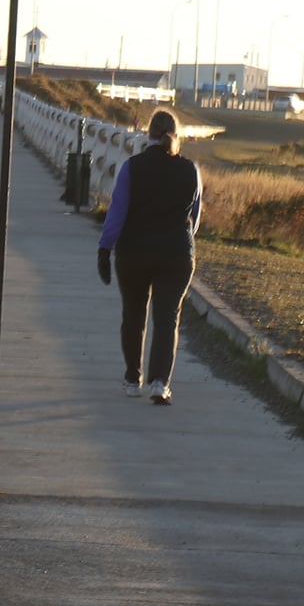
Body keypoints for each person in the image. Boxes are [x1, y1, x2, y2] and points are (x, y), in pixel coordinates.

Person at [95, 108, 202, 405]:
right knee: (167, 318)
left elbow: (117, 213)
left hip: (134, 251)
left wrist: (105, 248)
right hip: (176, 253)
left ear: (148, 133)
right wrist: (180, 241)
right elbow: (194, 218)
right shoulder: (190, 170)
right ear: (175, 135)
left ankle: (132, 378)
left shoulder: (133, 167)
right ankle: (159, 382)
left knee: (133, 314)